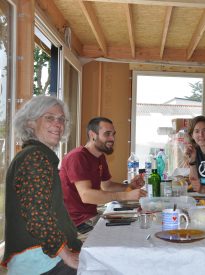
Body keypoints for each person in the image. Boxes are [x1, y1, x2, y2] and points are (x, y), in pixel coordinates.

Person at [1, 96, 82, 274]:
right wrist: (67, 255)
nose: (58, 124)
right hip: (41, 262)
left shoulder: (36, 156)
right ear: (30, 123)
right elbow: (37, 215)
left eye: (61, 119)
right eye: (49, 117)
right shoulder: (35, 158)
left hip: (43, 257)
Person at [60, 117, 146, 231]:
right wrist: (126, 195)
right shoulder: (77, 157)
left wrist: (129, 186)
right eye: (107, 134)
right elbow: (86, 195)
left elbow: (107, 186)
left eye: (113, 134)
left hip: (90, 217)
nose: (112, 138)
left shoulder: (100, 157)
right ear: (92, 135)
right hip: (76, 224)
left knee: (135, 226)